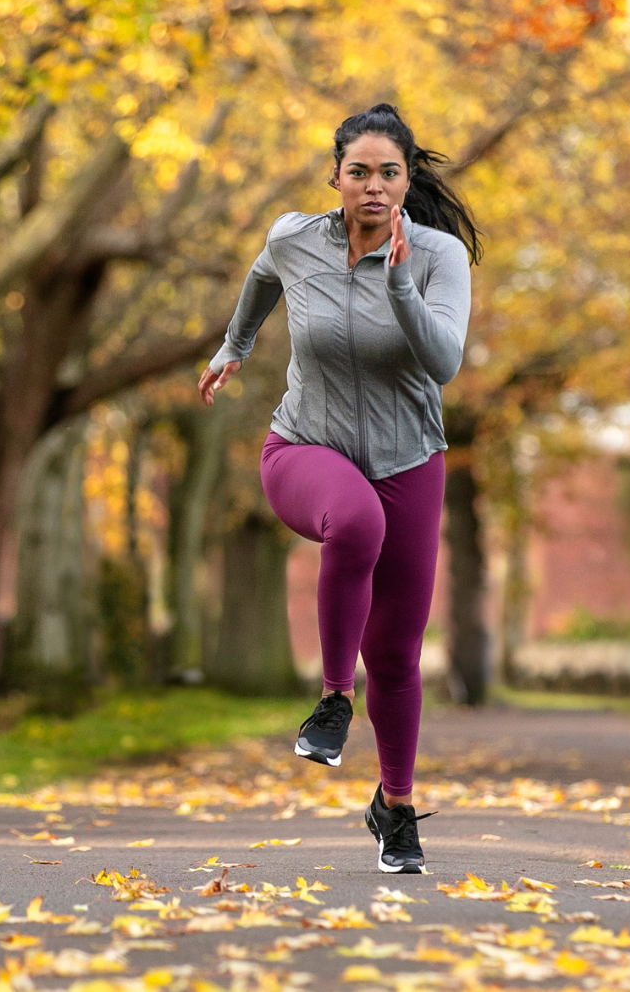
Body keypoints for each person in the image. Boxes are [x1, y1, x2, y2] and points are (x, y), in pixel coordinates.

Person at [198, 103, 481, 875]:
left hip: (409, 459)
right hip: (304, 447)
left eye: (389, 172)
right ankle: (331, 701)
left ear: (406, 180)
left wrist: (399, 291)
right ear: (336, 177)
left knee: (396, 653)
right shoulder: (296, 238)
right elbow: (260, 277)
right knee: (353, 522)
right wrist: (235, 347)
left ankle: (394, 808)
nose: (374, 186)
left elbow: (444, 362)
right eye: (358, 171)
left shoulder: (437, 257)